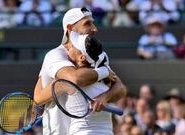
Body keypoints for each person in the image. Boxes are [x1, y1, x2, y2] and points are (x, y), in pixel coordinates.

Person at [33, 7, 126, 135]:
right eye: (87, 24)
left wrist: (105, 97)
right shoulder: (55, 55)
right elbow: (74, 80)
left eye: (93, 23)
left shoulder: (95, 54)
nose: (94, 28)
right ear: (70, 28)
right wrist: (104, 71)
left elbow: (120, 88)